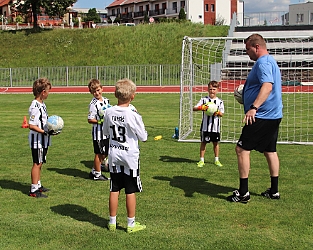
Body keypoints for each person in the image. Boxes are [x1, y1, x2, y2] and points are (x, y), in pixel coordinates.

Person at [227, 33, 283, 203]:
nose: (247, 53)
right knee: (270, 150)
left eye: (248, 49)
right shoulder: (271, 61)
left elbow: (267, 86)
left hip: (262, 116)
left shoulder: (263, 63)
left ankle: (243, 193)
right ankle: (274, 191)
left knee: (241, 149)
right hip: (273, 115)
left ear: (256, 47)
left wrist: (253, 107)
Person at [103, 78, 148, 233]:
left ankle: (112, 222)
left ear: (115, 94)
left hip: (114, 154)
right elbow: (143, 136)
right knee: (130, 189)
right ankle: (130, 224)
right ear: (133, 96)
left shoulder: (108, 111)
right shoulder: (133, 114)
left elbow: (105, 132)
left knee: (114, 188)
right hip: (129, 156)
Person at [28, 78, 57, 198]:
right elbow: (32, 125)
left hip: (43, 139)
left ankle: (38, 185)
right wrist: (44, 132)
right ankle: (33, 190)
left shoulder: (42, 104)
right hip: (37, 140)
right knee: (37, 163)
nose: (49, 93)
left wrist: (51, 130)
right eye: (48, 91)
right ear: (43, 92)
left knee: (40, 162)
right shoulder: (35, 106)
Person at [193, 80, 224, 168]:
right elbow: (194, 108)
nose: (212, 91)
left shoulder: (220, 101)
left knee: (216, 143)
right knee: (203, 142)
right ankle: (201, 160)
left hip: (215, 127)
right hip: (205, 127)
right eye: (210, 89)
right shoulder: (204, 100)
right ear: (208, 89)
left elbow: (222, 114)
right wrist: (201, 107)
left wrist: (217, 112)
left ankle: (216, 160)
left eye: (214, 89)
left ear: (217, 90)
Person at [87, 79, 110, 181]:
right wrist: (100, 121)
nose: (97, 93)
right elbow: (90, 119)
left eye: (98, 90)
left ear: (102, 89)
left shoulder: (106, 101)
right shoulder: (93, 104)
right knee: (99, 153)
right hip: (98, 133)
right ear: (91, 92)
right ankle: (97, 174)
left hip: (106, 132)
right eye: (94, 91)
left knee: (105, 153)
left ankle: (94, 170)